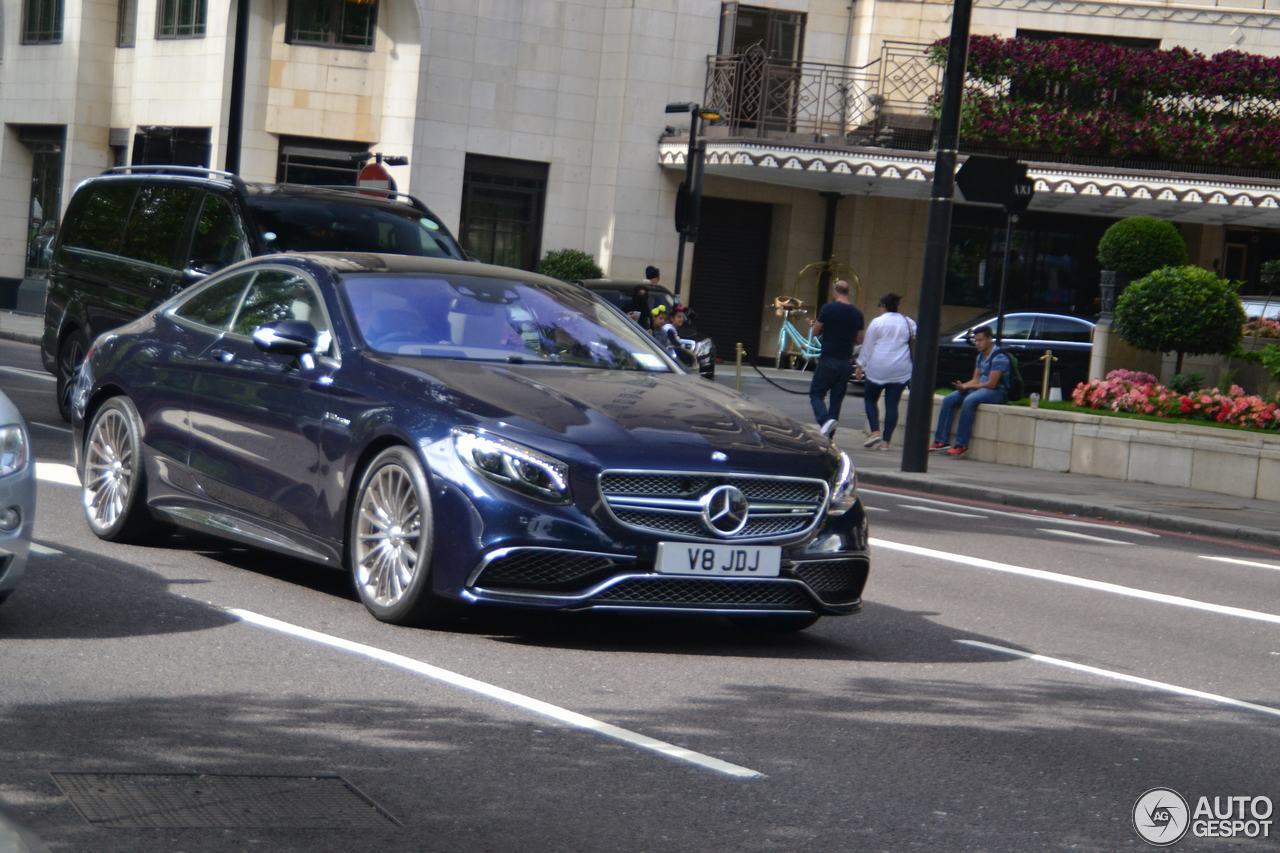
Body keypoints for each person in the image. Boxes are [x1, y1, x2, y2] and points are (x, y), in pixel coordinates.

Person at [930, 325, 1009, 458]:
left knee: (969, 400)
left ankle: (961, 444)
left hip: (997, 391)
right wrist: (964, 386)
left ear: (989, 339)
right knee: (949, 399)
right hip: (981, 388)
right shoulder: (980, 356)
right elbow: (976, 379)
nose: (977, 343)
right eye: (976, 340)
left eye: (980, 340)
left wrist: (969, 388)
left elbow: (992, 384)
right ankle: (941, 441)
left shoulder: (999, 357)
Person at [855, 292, 915, 451]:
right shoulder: (908, 322)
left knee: (870, 399)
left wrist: (860, 365)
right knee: (892, 405)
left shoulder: (877, 322)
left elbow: (868, 345)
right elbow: (916, 336)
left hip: (878, 367)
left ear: (883, 306)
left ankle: (875, 431)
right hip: (900, 368)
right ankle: (886, 442)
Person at [808, 279, 864, 439]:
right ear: (848, 292)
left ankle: (824, 421)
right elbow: (860, 339)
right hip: (846, 361)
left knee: (816, 394)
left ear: (835, 291)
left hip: (828, 359)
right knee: (836, 400)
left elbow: (815, 332)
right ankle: (829, 437)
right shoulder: (857, 313)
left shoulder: (828, 309)